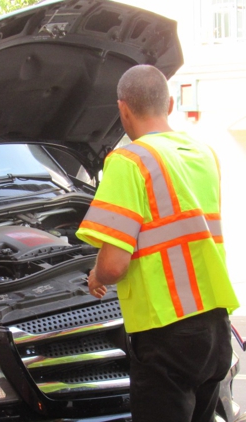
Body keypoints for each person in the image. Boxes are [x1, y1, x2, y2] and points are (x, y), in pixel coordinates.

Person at [76, 64, 240, 422]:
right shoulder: (203, 153)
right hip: (215, 327)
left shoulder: (130, 160)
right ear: (169, 104)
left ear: (123, 109)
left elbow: (114, 265)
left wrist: (97, 276)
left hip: (167, 335)